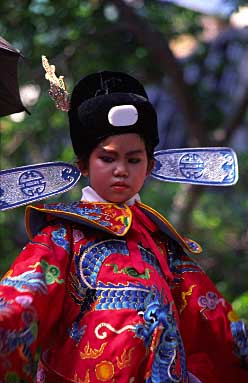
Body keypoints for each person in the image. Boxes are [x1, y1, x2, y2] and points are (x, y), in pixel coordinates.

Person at [0, 70, 247, 383]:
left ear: (150, 166)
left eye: (133, 160)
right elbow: (23, 296)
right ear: (83, 165)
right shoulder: (63, 235)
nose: (121, 170)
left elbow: (209, 314)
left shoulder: (160, 239)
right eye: (107, 158)